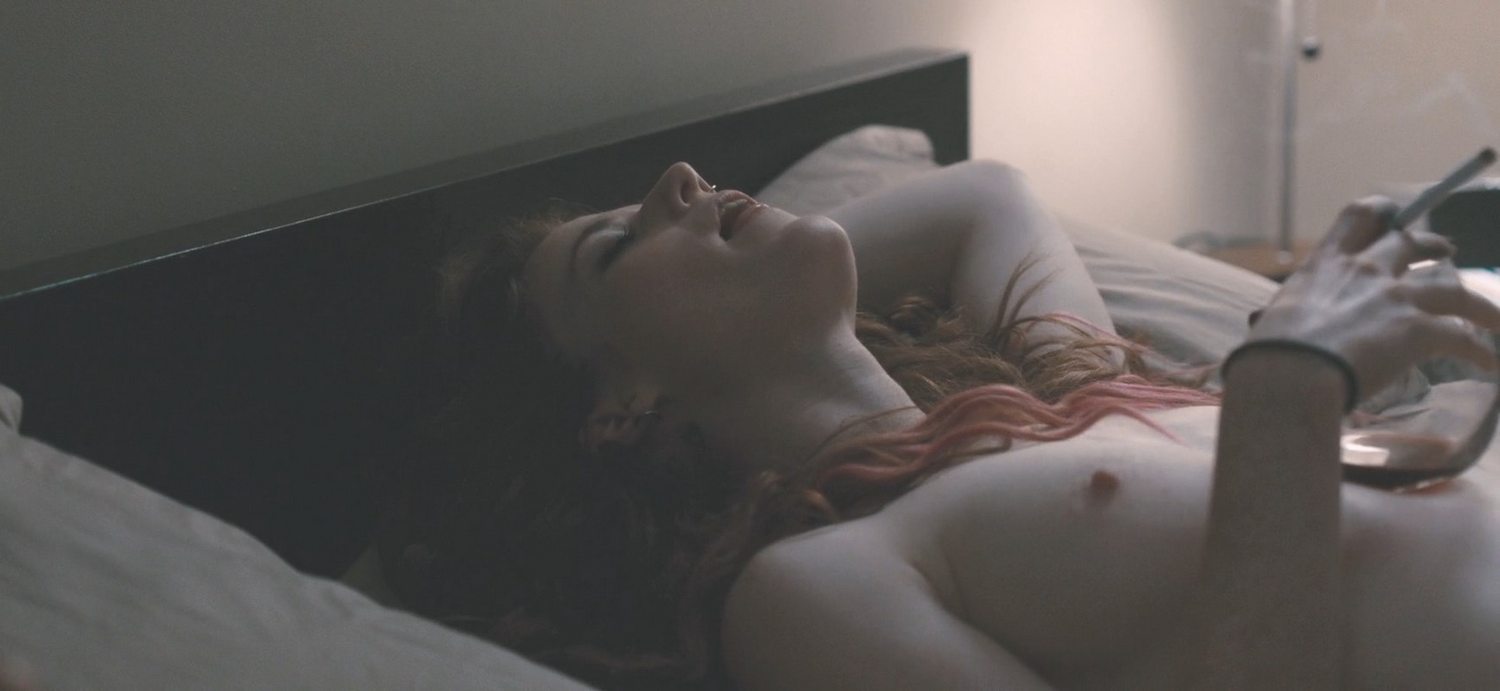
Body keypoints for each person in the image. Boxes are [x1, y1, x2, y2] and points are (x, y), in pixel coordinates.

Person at [374, 160, 1500, 689]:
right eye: (617, 245)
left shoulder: (1052, 395)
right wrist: (1287, 391)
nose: (681, 177)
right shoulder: (811, 589)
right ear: (618, 411)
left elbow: (984, 196)